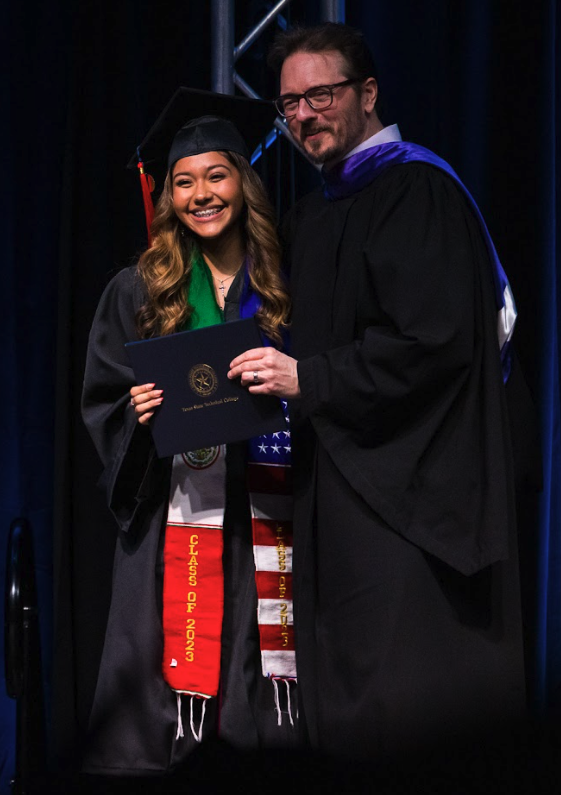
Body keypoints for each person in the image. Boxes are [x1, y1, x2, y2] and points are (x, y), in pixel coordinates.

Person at [228, 23, 531, 762]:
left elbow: (432, 346)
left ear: (366, 94)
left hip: (413, 503)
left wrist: (311, 379)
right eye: (288, 102)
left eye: (320, 94)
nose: (302, 115)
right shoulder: (316, 212)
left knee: (406, 704)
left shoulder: (416, 190)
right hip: (340, 490)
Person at [81, 88, 296, 779]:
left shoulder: (287, 283)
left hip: (267, 525)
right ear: (167, 196)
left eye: (216, 176)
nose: (201, 194)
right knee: (161, 711)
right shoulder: (138, 290)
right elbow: (104, 407)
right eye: (183, 182)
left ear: (243, 181)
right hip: (172, 535)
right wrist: (138, 416)